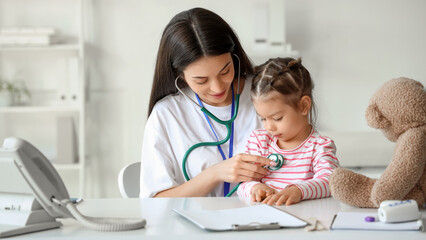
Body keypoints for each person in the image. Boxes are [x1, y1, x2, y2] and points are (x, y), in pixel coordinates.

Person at [140, 8, 276, 198]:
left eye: (225, 71)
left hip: (266, 219)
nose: (218, 87)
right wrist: (215, 173)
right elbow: (154, 201)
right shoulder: (167, 114)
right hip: (195, 224)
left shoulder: (267, 94)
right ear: (181, 75)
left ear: (233, 56)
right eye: (201, 80)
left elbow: (306, 156)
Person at [237, 57, 340, 205]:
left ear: (304, 106)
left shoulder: (319, 146)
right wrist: (255, 187)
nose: (269, 127)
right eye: (263, 119)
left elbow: (329, 181)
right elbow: (243, 185)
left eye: (277, 118)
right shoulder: (259, 141)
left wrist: (298, 191)